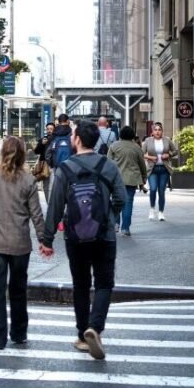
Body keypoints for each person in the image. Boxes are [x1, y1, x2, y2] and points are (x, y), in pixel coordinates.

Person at [41, 119, 126, 360]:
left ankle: (82, 335)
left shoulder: (66, 168)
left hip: (75, 236)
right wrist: (109, 217)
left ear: (77, 139)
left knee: (80, 284)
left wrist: (47, 239)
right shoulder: (108, 165)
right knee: (104, 283)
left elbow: (55, 206)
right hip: (104, 235)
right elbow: (120, 198)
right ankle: (95, 328)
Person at [0, 136, 46, 351]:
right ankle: (19, 333)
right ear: (23, 155)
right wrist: (44, 240)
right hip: (20, 245)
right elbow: (36, 215)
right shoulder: (29, 181)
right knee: (18, 290)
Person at [108, 126, 147, 235]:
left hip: (116, 179)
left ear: (120, 135)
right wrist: (144, 176)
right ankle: (125, 228)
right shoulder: (136, 148)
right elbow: (142, 164)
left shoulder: (114, 146)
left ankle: (115, 224)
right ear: (132, 135)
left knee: (115, 201)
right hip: (132, 179)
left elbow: (108, 162)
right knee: (128, 203)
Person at [141, 123, 178, 221]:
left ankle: (161, 212)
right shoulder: (148, 141)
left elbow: (175, 151)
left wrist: (168, 155)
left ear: (162, 131)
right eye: (155, 130)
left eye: (159, 130)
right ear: (152, 132)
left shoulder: (167, 140)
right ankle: (152, 209)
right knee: (153, 189)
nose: (157, 132)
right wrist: (150, 157)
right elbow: (141, 153)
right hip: (152, 169)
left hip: (163, 169)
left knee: (161, 191)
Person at [34, 121, 55, 199]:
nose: (49, 130)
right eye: (48, 129)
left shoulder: (56, 140)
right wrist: (41, 144)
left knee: (52, 185)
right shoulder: (43, 139)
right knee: (46, 186)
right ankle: (48, 203)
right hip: (44, 166)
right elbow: (36, 151)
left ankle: (51, 202)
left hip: (53, 165)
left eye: (51, 129)